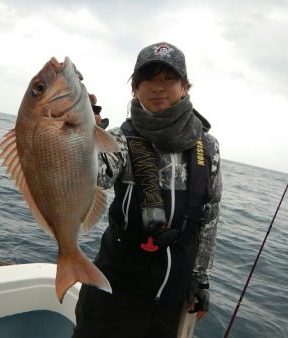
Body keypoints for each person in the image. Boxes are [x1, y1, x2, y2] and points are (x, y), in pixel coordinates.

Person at [73, 42, 222, 338]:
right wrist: (80, 131)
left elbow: (209, 217)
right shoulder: (121, 140)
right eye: (148, 80)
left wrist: (201, 279)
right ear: (134, 88)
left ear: (185, 87)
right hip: (114, 294)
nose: (158, 88)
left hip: (171, 302)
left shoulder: (209, 148)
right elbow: (93, 177)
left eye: (168, 79)